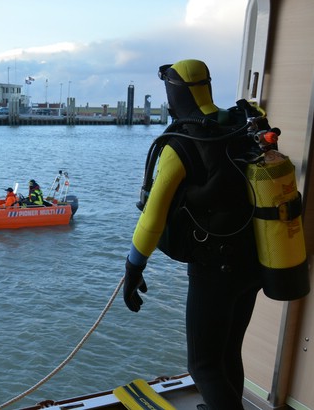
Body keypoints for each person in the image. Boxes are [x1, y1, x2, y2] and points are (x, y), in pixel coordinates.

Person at [123, 59, 262, 410]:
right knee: (228, 351)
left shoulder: (181, 143)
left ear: (175, 94)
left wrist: (133, 268)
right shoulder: (239, 126)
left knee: (202, 366)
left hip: (215, 270)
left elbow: (152, 220)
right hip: (254, 261)